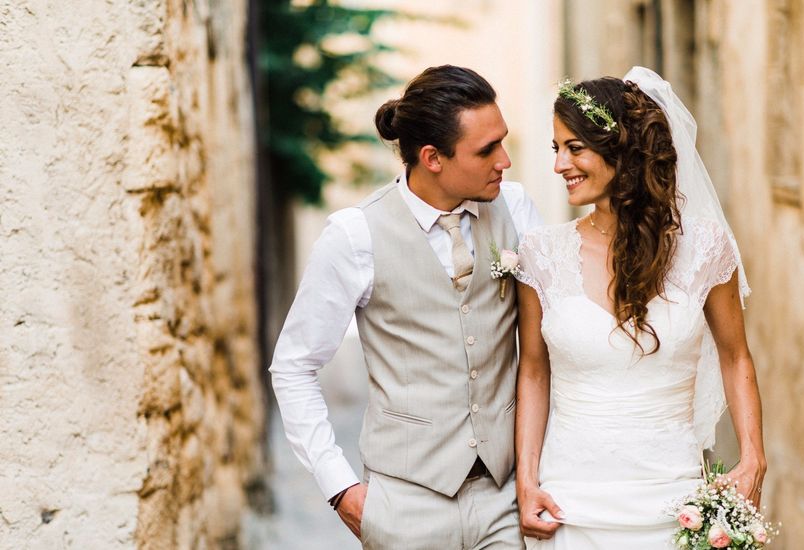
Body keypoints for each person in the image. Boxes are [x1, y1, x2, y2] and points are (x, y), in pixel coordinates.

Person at [269, 64, 541, 549]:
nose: (505, 161)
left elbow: (547, 346)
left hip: (505, 499)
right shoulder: (354, 236)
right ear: (433, 157)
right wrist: (340, 489)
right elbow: (294, 366)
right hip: (405, 506)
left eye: (503, 141)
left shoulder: (516, 209)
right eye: (487, 150)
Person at [513, 67, 766, 548]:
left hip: (673, 494)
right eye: (555, 148)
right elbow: (533, 372)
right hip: (569, 499)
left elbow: (736, 356)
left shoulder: (706, 249)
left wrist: (754, 456)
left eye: (574, 147)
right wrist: (527, 481)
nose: (559, 164)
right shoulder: (540, 255)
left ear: (621, 150)